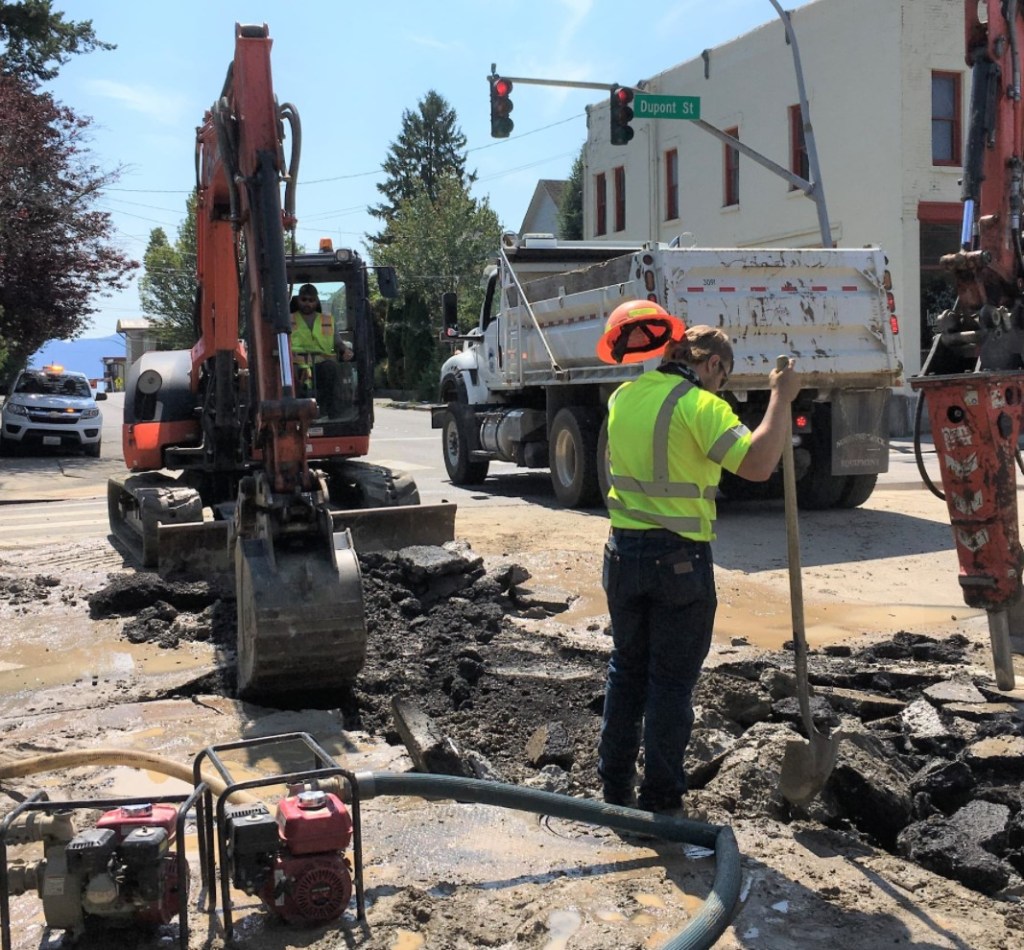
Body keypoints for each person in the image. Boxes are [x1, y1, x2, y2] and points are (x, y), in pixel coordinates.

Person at [594, 300, 801, 815]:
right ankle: (662, 801)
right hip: (678, 563)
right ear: (710, 363)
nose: (720, 388)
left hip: (622, 555)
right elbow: (756, 463)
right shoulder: (698, 405)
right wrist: (780, 398)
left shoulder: (623, 397)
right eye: (722, 377)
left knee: (626, 671)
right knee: (669, 683)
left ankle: (614, 789)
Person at [290, 283, 353, 418]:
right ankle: (294, 414)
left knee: (331, 370)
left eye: (311, 300)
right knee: (291, 378)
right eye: (304, 300)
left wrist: (345, 350)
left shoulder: (328, 320)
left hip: (322, 363)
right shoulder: (289, 319)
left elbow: (338, 342)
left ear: (316, 301)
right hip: (296, 363)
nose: (307, 303)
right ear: (298, 300)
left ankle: (330, 412)